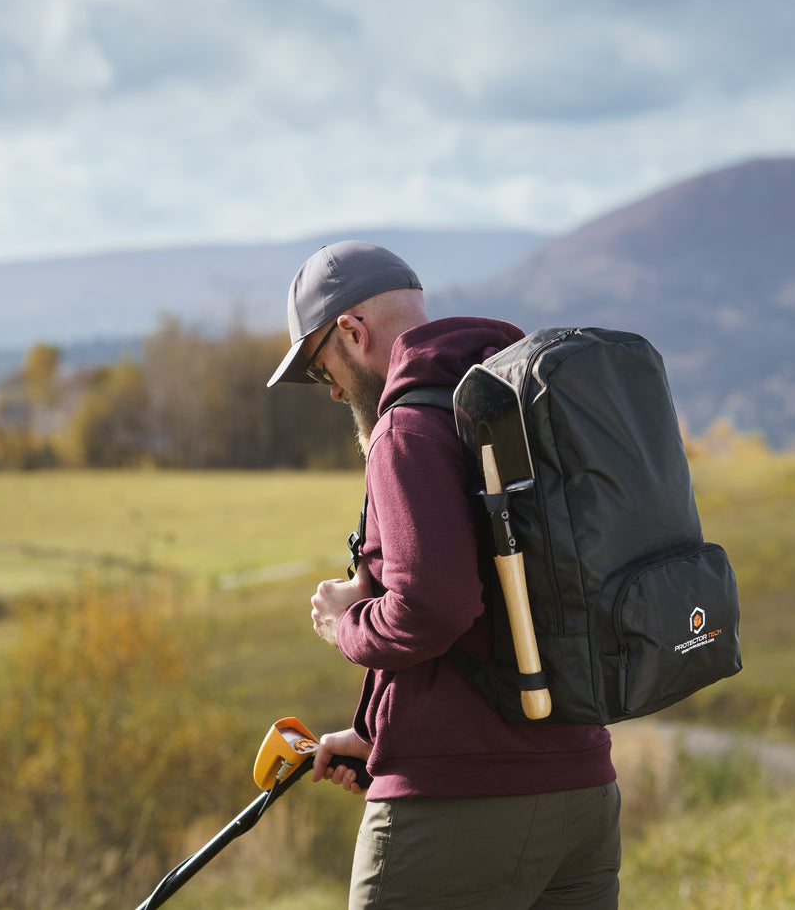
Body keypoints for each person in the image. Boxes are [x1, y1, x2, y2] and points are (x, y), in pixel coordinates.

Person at [266, 241, 620, 909]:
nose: (333, 390)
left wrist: (345, 623)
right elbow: (506, 603)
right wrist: (377, 733)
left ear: (351, 331)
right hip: (583, 788)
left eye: (321, 370)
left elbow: (436, 606)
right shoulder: (505, 404)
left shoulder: (405, 429)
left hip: (462, 803)